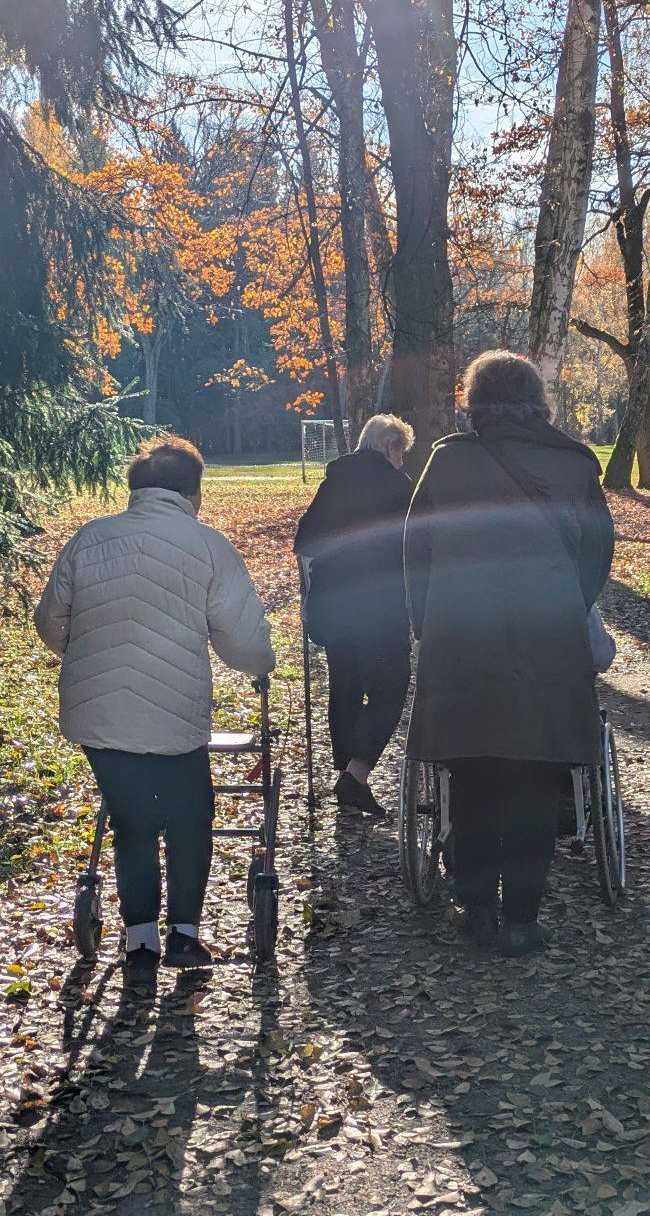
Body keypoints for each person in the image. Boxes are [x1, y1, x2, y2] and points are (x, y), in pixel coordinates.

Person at [34, 437, 275, 982]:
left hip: (98, 715)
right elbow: (242, 642)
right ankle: (184, 933)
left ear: (135, 490)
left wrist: (83, 649)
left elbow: (50, 622)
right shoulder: (208, 547)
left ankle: (140, 938)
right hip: (175, 715)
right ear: (194, 492)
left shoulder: (89, 540)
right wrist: (261, 663)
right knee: (190, 817)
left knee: (132, 819)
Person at [405, 351, 615, 956]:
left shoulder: (449, 460)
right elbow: (597, 554)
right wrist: (568, 605)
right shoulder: (574, 464)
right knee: (535, 779)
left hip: (461, 641)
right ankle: (522, 918)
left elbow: (415, 551)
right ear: (536, 402)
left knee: (472, 775)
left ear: (474, 401)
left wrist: (425, 623)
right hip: (547, 642)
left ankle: (475, 909)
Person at [294, 414, 416, 817]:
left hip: (335, 605)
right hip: (381, 607)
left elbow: (305, 541)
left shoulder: (334, 482)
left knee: (344, 684)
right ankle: (356, 774)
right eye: (401, 451)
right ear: (389, 446)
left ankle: (346, 772)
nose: (402, 459)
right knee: (390, 687)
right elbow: (412, 548)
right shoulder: (399, 487)